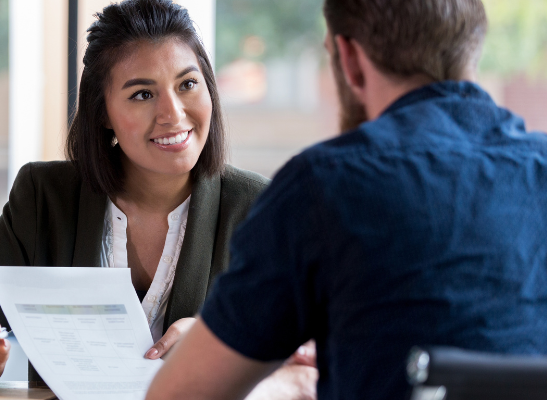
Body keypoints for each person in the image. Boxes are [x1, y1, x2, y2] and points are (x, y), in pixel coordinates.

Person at [0, 0, 316, 396]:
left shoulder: (259, 207)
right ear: (102, 112)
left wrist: (220, 345)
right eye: (142, 94)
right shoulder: (44, 198)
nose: (173, 114)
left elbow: (314, 358)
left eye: (188, 84)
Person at [146, 0, 547, 399]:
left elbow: (178, 395)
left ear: (350, 59)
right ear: (474, 44)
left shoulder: (323, 186)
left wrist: (287, 382)